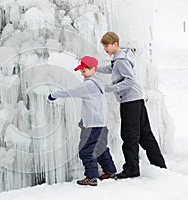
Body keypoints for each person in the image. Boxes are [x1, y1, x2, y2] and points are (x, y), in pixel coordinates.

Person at [97, 31, 167, 179]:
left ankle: (131, 169)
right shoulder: (121, 57)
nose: (105, 49)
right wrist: (94, 68)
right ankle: (159, 166)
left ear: (115, 44)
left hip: (130, 101)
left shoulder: (120, 60)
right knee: (145, 135)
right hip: (137, 99)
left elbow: (129, 80)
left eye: (107, 46)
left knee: (129, 136)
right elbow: (112, 69)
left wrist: (109, 88)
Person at [48, 56, 117, 186]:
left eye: (84, 71)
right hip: (101, 123)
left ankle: (91, 177)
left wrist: (54, 95)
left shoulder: (89, 85)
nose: (82, 74)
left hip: (91, 126)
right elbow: (93, 106)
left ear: (93, 69)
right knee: (101, 148)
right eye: (81, 71)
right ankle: (110, 171)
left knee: (85, 150)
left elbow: (71, 92)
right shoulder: (99, 83)